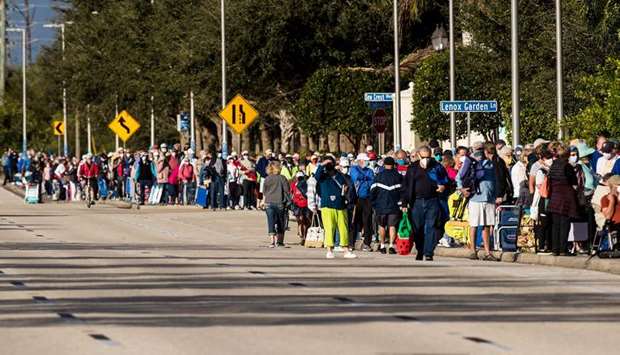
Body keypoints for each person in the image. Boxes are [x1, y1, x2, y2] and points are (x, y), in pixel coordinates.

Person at [401, 146, 448, 261]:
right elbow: (406, 187)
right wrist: (404, 203)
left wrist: (443, 187)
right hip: (416, 201)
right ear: (418, 155)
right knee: (417, 228)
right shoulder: (412, 168)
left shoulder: (437, 167)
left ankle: (428, 252)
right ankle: (420, 249)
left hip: (432, 201)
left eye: (428, 157)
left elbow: (447, 181)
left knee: (431, 226)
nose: (425, 159)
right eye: (423, 157)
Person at [461, 143, 499, 261]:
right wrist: (462, 189)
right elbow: (459, 177)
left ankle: (488, 252)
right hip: (475, 198)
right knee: (474, 225)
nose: (481, 152)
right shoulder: (471, 163)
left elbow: (495, 180)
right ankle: (473, 250)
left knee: (487, 225)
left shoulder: (492, 164)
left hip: (489, 198)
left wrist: (497, 194)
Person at [314, 155, 357, 259]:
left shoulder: (340, 175)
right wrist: (322, 164)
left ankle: (346, 249)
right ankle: (329, 249)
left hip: (340, 204)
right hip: (327, 205)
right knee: (329, 228)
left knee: (343, 228)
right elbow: (316, 177)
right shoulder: (322, 176)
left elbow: (347, 186)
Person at [548, 143, 579, 256]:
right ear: (567, 154)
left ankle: (555, 249)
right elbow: (574, 183)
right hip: (565, 197)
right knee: (564, 223)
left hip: (554, 196)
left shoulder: (553, 165)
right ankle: (563, 249)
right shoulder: (568, 166)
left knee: (555, 224)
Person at [370, 157, 402, 255]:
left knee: (382, 225)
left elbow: (372, 191)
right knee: (392, 226)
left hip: (381, 206)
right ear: (393, 165)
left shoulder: (378, 176)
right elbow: (403, 192)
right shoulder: (398, 177)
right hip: (394, 206)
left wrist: (374, 203)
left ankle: (383, 245)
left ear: (384, 165)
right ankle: (392, 246)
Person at [262, 161, 291, 247]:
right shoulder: (282, 178)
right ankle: (280, 241)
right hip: (279, 202)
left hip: (268, 202)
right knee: (280, 222)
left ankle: (272, 241)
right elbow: (287, 190)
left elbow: (264, 192)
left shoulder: (267, 178)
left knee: (270, 221)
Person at [350, 153, 375, 251]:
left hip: (367, 198)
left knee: (367, 221)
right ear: (360, 161)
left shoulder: (370, 171)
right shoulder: (354, 169)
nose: (366, 162)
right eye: (365, 160)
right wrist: (365, 178)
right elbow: (356, 177)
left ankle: (367, 244)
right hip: (356, 198)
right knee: (354, 221)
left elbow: (371, 181)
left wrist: (364, 179)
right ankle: (351, 243)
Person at [601, 175, 620, 250]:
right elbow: (608, 216)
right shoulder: (606, 198)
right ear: (614, 186)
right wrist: (612, 201)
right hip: (616, 225)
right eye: (619, 185)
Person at [291, 171, 310, 245]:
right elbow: (291, 194)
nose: (299, 179)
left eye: (300, 178)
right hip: (297, 205)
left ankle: (304, 237)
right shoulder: (294, 184)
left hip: (305, 205)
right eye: (298, 178)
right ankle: (302, 236)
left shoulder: (306, 184)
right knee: (300, 221)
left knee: (305, 222)